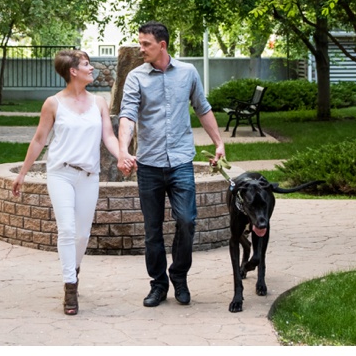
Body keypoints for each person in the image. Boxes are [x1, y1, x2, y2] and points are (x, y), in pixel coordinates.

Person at [118, 21, 225, 307]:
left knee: (187, 221)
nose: (141, 49)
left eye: (146, 44)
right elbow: (127, 115)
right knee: (152, 230)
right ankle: (158, 284)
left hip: (180, 162)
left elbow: (202, 107)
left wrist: (219, 142)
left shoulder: (188, 72)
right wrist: (123, 150)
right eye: (140, 43)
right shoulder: (136, 77)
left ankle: (179, 276)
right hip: (149, 165)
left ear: (162, 45)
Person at [12, 49, 121, 316]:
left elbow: (108, 136)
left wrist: (123, 156)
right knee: (68, 230)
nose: (92, 67)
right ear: (73, 71)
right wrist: (22, 173)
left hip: (88, 175)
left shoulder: (99, 103)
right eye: (86, 64)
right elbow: (39, 140)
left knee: (83, 234)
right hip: (60, 173)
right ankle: (70, 286)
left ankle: (73, 267)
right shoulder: (53, 103)